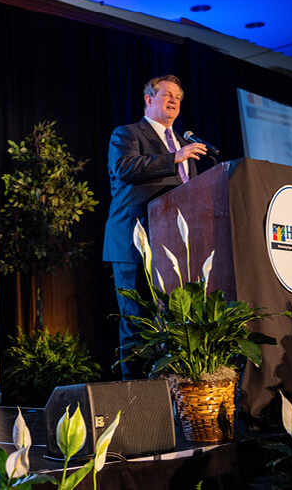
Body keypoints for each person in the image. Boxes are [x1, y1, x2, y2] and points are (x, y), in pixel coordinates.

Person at [103, 75, 206, 379]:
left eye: (177, 96)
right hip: (133, 242)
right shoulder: (127, 134)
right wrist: (174, 157)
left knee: (171, 320)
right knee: (137, 320)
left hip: (174, 245)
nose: (173, 100)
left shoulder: (185, 144)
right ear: (149, 100)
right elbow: (125, 168)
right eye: (166, 95)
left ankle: (168, 391)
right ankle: (136, 396)